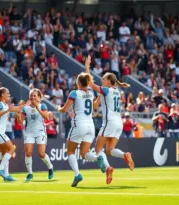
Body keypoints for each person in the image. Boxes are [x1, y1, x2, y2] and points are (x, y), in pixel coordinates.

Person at [85, 55, 135, 185]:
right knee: (110, 150)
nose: (102, 80)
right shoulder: (115, 91)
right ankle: (125, 155)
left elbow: (90, 83)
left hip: (110, 122)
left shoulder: (106, 90)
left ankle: (108, 168)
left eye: (103, 79)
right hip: (119, 122)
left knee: (97, 149)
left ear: (108, 82)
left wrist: (87, 67)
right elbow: (96, 106)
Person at [56, 73, 104, 187]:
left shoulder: (74, 93)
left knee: (70, 151)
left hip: (79, 125)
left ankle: (77, 174)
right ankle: (97, 158)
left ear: (78, 83)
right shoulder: (90, 94)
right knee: (84, 153)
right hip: (90, 127)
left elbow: (64, 109)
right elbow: (94, 107)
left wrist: (58, 108)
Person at [17, 89, 54, 182]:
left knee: (41, 154)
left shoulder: (42, 105)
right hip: (29, 132)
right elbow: (20, 122)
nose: (32, 97)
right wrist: (18, 114)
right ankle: (30, 173)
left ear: (38, 97)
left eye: (34, 95)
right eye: (31, 95)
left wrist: (37, 108)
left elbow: (46, 117)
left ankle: (50, 167)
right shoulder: (25, 108)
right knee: (28, 153)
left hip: (40, 132)